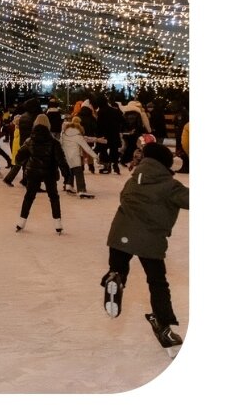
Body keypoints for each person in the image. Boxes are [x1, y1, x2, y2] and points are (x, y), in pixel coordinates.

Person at [101, 143, 189, 357]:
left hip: (119, 235)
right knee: (157, 282)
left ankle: (116, 277)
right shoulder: (170, 186)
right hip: (149, 240)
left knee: (119, 266)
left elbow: (124, 198)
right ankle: (164, 324)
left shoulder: (133, 179)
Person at [12, 114, 68, 234]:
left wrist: (24, 162)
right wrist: (67, 176)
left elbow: (19, 155)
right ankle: (58, 223)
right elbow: (61, 160)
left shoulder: (30, 141)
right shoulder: (54, 142)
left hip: (33, 172)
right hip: (50, 173)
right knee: (53, 197)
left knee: (29, 197)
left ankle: (21, 222)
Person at [60, 116, 98, 199]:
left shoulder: (64, 134)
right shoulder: (78, 136)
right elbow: (87, 148)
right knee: (79, 172)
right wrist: (95, 156)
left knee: (71, 170)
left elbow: (61, 144)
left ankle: (69, 185)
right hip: (75, 156)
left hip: (66, 156)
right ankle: (81, 190)